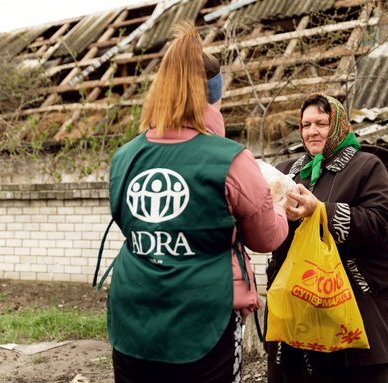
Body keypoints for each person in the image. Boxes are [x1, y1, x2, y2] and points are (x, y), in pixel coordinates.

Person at [102, 22, 289, 383]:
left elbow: (130, 225)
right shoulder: (231, 159)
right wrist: (280, 206)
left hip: (132, 313)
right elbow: (265, 239)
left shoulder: (124, 157)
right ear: (214, 97)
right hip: (206, 317)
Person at [265, 93, 388, 383]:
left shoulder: (366, 167)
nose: (311, 131)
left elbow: (379, 224)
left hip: (351, 303)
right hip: (296, 306)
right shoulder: (287, 172)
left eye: (321, 123)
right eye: (305, 125)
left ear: (338, 125)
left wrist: (321, 211)